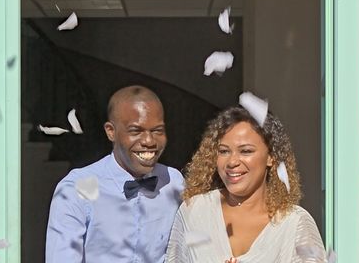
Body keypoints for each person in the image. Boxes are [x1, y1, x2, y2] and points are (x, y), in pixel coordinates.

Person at [166, 106, 326, 262]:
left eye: (246, 151)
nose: (232, 162)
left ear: (271, 157)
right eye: (223, 151)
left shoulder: (294, 224)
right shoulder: (194, 210)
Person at [46, 85, 184, 263]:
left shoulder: (174, 182)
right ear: (111, 132)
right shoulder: (76, 189)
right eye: (136, 131)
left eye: (157, 131)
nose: (149, 141)